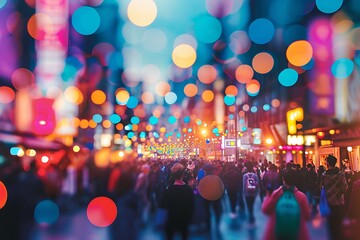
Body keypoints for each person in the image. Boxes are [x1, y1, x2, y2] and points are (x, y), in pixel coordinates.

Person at [262, 168, 311, 240]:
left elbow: (265, 209)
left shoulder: (277, 194)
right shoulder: (301, 196)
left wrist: (268, 195)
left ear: (283, 179)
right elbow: (307, 216)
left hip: (277, 233)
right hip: (296, 233)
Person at [162, 163, 194, 240]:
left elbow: (163, 205)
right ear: (183, 174)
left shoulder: (168, 190)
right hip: (184, 219)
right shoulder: (188, 190)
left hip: (171, 219)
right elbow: (192, 206)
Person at [321, 155, 348, 240]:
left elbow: (321, 187)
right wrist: (338, 194)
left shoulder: (324, 175)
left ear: (328, 163)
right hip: (339, 202)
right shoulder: (340, 174)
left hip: (328, 203)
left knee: (330, 225)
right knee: (339, 224)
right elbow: (345, 187)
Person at [243, 161, 258, 225]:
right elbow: (257, 184)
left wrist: (244, 193)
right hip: (253, 193)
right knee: (252, 205)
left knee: (248, 206)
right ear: (252, 168)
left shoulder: (245, 176)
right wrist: (256, 192)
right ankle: (252, 217)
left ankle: (250, 217)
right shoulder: (255, 175)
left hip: (247, 193)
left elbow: (244, 185)